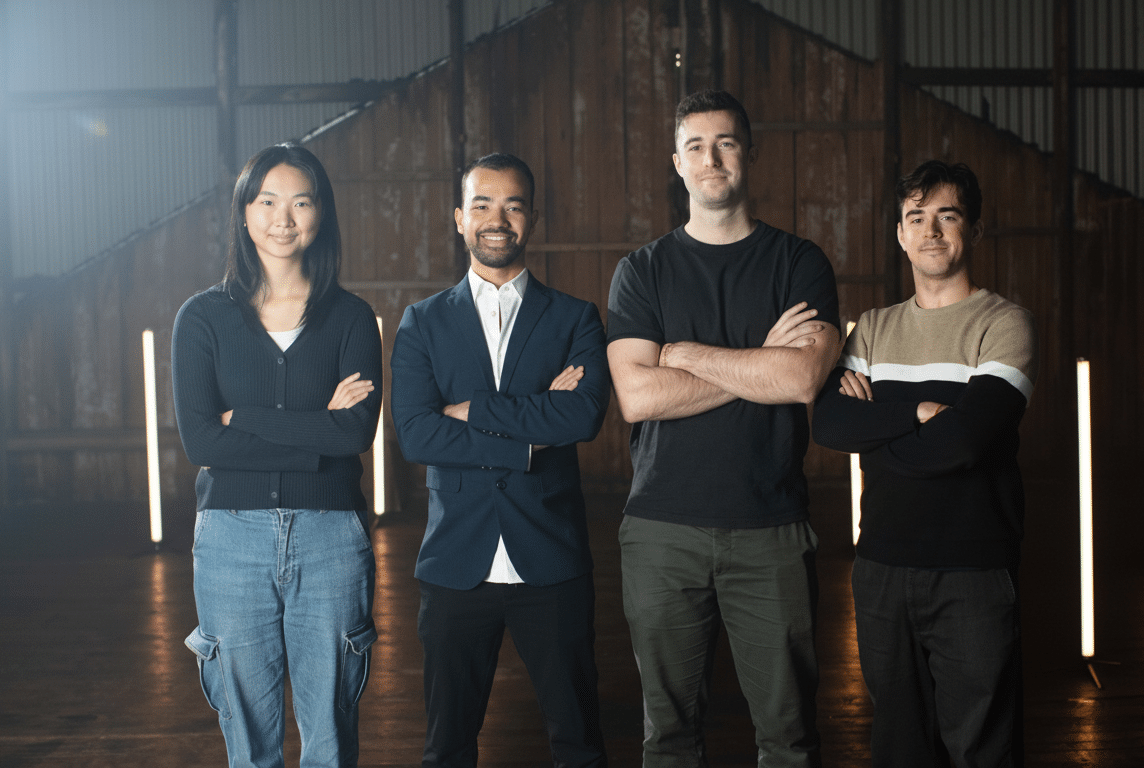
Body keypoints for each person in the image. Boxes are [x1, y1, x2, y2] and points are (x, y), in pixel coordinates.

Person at [606, 90, 840, 768]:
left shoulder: (800, 263)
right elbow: (637, 396)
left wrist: (682, 353)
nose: (713, 158)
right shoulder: (643, 271)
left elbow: (799, 380)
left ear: (750, 154)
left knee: (789, 740)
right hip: (661, 531)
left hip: (771, 529)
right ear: (677, 163)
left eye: (727, 143)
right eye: (698, 146)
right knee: (669, 740)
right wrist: (758, 360)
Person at [810, 160, 1036, 767]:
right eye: (917, 217)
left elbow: (962, 444)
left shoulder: (1003, 323)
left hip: (973, 573)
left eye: (948, 215)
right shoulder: (873, 329)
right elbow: (829, 424)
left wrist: (880, 422)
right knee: (899, 746)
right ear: (901, 234)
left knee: (982, 747)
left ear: (975, 231)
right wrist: (918, 413)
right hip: (881, 568)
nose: (931, 230)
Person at [391, 153, 610, 768]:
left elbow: (583, 417)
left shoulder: (574, 317)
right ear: (459, 219)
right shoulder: (423, 322)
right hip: (456, 563)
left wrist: (468, 411)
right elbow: (415, 435)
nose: (497, 218)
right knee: (447, 749)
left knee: (580, 746)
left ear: (531, 219)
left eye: (513, 205)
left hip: (552, 559)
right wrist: (531, 426)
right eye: (482, 205)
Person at [172, 142, 382, 768]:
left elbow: (355, 435)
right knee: (249, 738)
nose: (282, 218)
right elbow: (202, 443)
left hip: (331, 539)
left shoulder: (350, 317)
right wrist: (319, 428)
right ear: (243, 212)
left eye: (300, 201)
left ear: (322, 214)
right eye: (266, 201)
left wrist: (251, 422)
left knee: (330, 733)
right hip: (230, 539)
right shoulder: (202, 318)